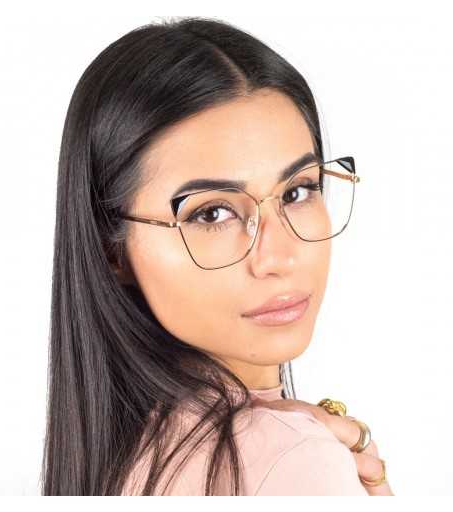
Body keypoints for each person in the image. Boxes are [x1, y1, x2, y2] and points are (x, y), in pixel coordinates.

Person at [41, 16, 392, 495]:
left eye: (297, 191)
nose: (278, 258)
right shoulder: (293, 458)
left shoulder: (117, 453)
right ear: (112, 250)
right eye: (212, 214)